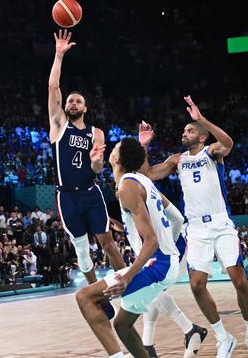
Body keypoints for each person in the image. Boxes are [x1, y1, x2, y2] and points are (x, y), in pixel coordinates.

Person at [141, 97, 248, 358]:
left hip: (221, 223)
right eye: (184, 130)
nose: (183, 133)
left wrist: (202, 119)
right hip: (196, 229)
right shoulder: (177, 159)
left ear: (201, 137)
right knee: (197, 285)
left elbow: (228, 143)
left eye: (189, 130)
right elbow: (148, 175)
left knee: (239, 280)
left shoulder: (212, 153)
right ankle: (223, 337)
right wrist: (144, 146)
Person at [75, 138, 181, 358]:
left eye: (114, 148)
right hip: (164, 262)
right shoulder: (143, 182)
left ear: (117, 159)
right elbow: (176, 218)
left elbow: (151, 240)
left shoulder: (127, 186)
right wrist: (129, 228)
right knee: (122, 324)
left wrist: (129, 276)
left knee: (85, 297)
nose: (111, 150)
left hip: (157, 265)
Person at [48, 29, 124, 316]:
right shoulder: (58, 125)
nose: (73, 103)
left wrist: (95, 160)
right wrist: (58, 55)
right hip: (66, 197)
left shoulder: (97, 133)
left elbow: (97, 168)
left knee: (107, 241)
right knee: (82, 251)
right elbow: (53, 87)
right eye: (70, 101)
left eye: (78, 101)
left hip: (91, 193)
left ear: (86, 107)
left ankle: (131, 282)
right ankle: (99, 296)